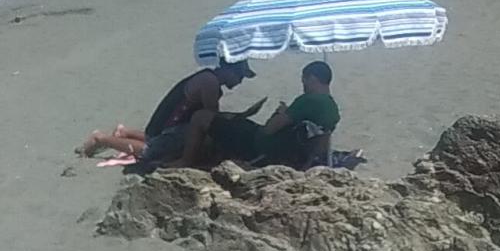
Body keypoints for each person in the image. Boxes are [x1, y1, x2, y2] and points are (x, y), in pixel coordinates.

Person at [76, 59, 256, 160]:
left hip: (166, 121)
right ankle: (101, 138)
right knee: (150, 151)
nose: (240, 81)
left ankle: (124, 132)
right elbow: (210, 118)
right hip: (170, 125)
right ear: (227, 70)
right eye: (239, 75)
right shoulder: (210, 83)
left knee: (164, 139)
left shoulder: (209, 78)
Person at [191, 60, 340, 168]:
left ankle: (185, 161)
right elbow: (321, 143)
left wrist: (279, 113)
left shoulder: (308, 100)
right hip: (289, 153)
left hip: (259, 147)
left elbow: (270, 129)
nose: (303, 86)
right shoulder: (333, 109)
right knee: (231, 120)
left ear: (312, 78)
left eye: (304, 81)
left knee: (202, 117)